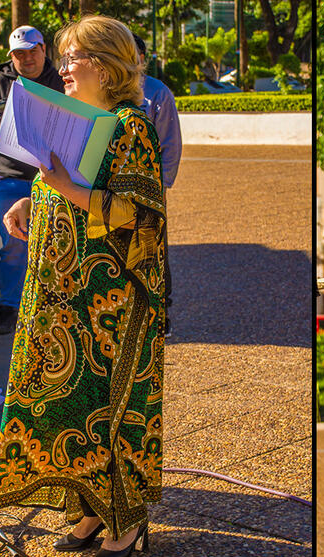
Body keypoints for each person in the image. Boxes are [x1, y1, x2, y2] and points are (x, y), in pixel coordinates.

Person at [0, 15, 168, 557]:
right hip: (64, 299)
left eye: (73, 58)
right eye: (62, 58)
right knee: (62, 406)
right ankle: (89, 510)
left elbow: (139, 214)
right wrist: (32, 201)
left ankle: (126, 520)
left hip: (110, 303)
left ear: (108, 64)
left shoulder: (130, 125)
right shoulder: (81, 120)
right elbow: (57, 184)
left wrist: (66, 188)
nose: (63, 68)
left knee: (110, 410)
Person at [0, 25, 64, 334]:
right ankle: (10, 307)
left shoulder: (62, 81)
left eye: (33, 51)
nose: (28, 58)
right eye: (20, 54)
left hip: (55, 177)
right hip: (11, 179)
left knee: (59, 244)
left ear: (44, 50)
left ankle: (54, 307)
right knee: (13, 245)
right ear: (12, 57)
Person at [132, 33, 182, 336]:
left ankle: (160, 311)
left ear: (142, 58)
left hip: (149, 190)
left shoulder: (157, 93)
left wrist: (159, 188)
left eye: (134, 54)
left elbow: (170, 146)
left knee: (154, 249)